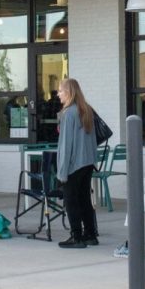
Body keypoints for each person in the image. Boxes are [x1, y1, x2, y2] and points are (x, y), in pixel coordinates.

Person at [54, 77, 103, 249]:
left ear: (68, 92)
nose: (58, 94)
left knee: (71, 200)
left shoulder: (69, 113)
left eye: (60, 90)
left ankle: (76, 236)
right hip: (88, 162)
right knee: (84, 200)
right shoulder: (86, 110)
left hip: (74, 164)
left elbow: (66, 145)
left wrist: (62, 172)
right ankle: (90, 234)